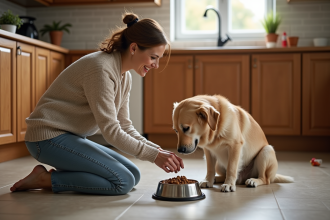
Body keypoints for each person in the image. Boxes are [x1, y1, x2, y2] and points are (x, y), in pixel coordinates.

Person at [10, 13, 184, 195]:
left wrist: (158, 150)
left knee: (133, 174)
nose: (156, 65)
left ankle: (62, 171)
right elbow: (111, 131)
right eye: (153, 57)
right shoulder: (101, 69)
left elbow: (124, 125)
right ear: (134, 48)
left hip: (71, 137)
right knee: (122, 182)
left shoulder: (125, 76)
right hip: (46, 139)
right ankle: (45, 179)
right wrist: (154, 156)